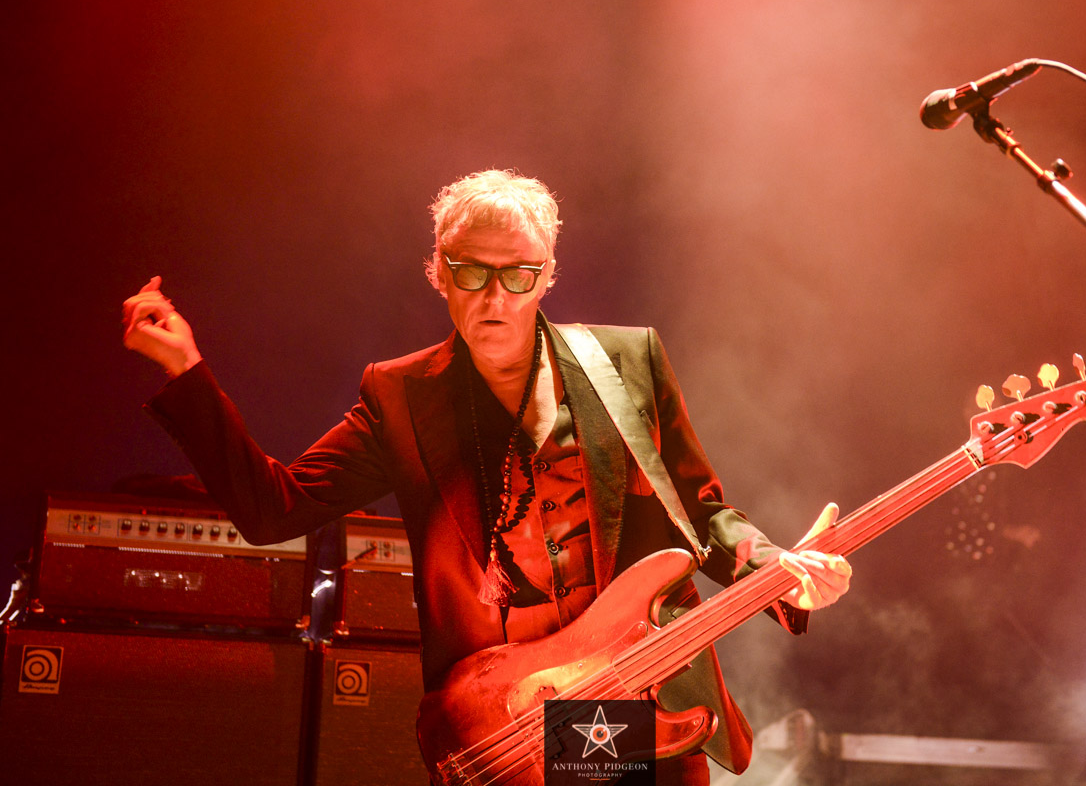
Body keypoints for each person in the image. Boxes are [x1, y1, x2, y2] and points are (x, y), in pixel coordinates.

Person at [121, 169, 852, 785]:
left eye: (519, 274)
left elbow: (701, 510)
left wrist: (776, 567)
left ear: (548, 276)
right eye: (471, 272)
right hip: (502, 717)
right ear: (439, 271)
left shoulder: (628, 364)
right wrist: (185, 372)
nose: (495, 297)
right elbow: (273, 508)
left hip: (634, 697)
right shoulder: (401, 397)